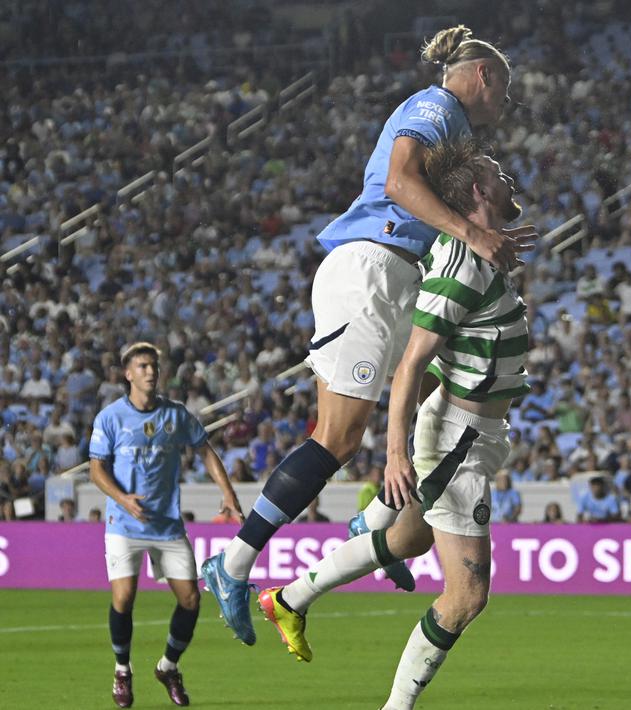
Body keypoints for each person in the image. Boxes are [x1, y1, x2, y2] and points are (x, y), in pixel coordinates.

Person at [202, 25, 536, 645]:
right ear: (484, 77)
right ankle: (234, 564)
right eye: (505, 92)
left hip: (396, 278)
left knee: (446, 379)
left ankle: (373, 528)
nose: (504, 106)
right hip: (370, 269)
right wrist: (472, 233)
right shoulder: (435, 107)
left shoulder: (456, 130)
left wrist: (483, 233)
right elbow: (398, 184)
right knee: (338, 436)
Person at [256, 140, 528, 709]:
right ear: (479, 191)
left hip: (473, 434)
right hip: (459, 438)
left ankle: (292, 597)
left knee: (406, 539)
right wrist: (395, 454)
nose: (508, 176)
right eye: (496, 173)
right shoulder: (462, 267)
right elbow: (409, 368)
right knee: (467, 594)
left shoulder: (478, 252)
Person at [89, 343, 244, 708]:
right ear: (128, 373)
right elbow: (96, 468)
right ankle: (123, 670)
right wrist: (123, 498)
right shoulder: (110, 418)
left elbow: (205, 449)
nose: (150, 371)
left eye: (153, 366)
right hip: (123, 523)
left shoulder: (176, 415)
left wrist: (228, 492)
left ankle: (168, 667)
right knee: (124, 598)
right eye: (142, 366)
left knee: (190, 600)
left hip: (166, 525)